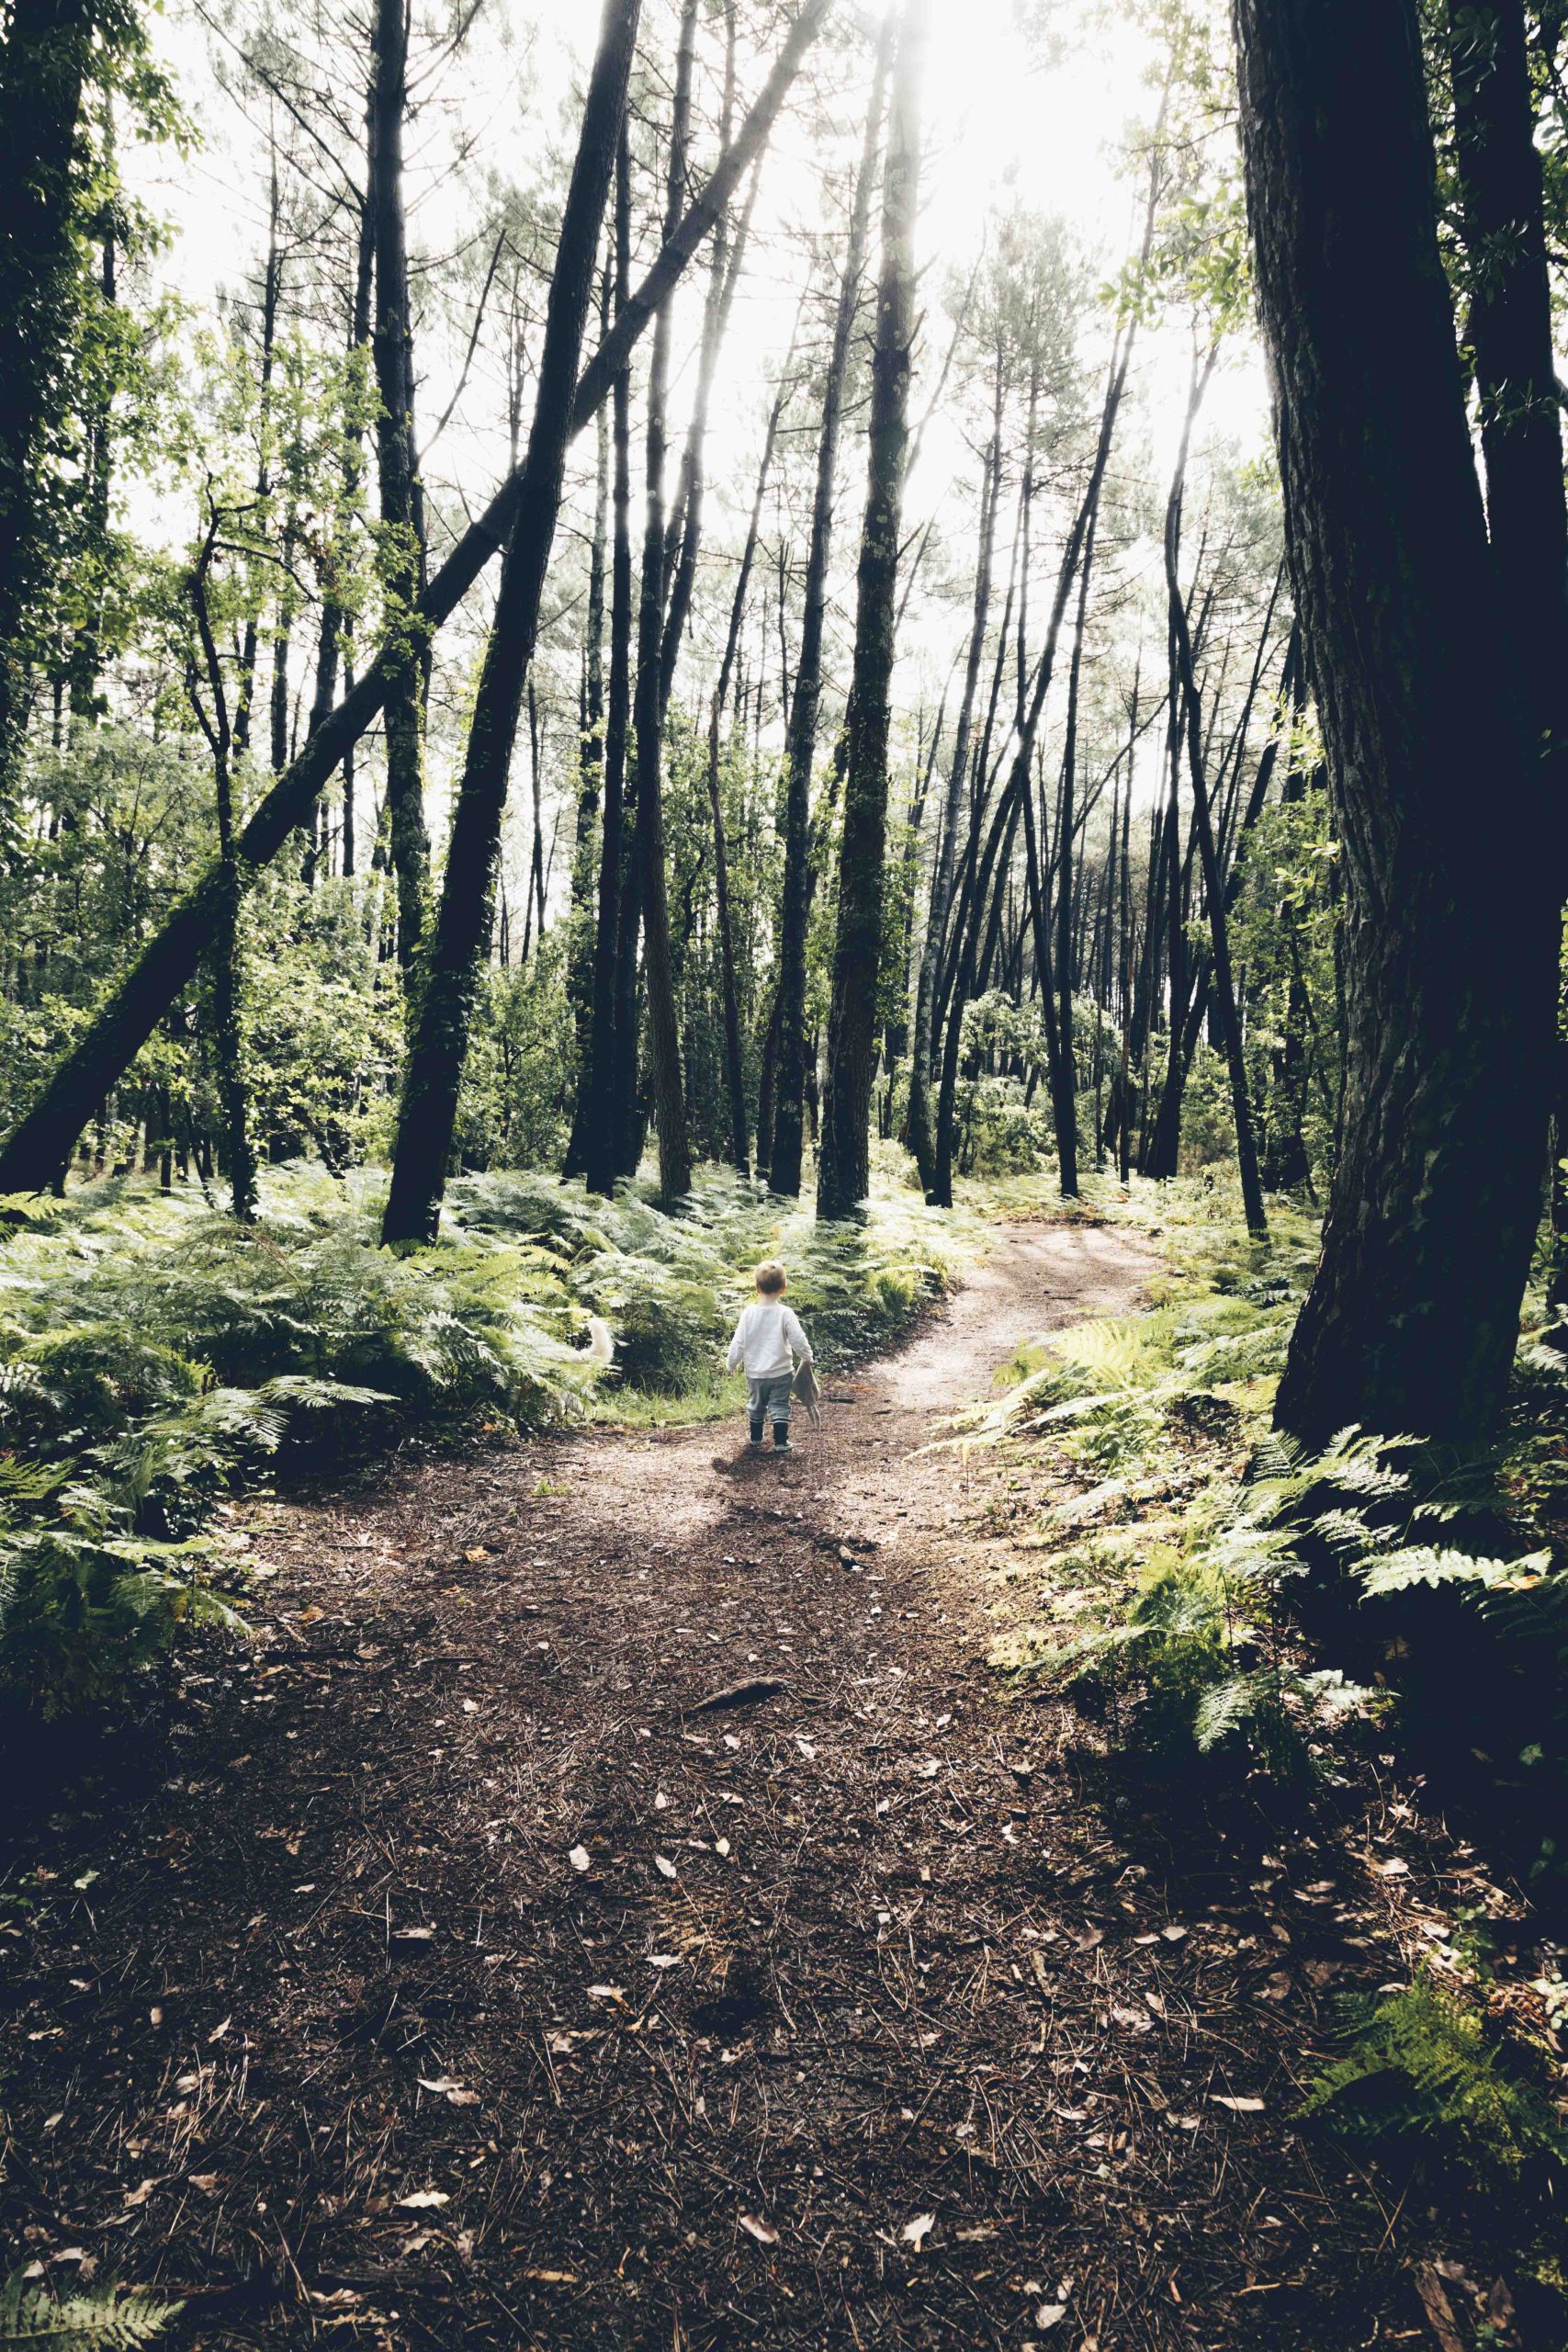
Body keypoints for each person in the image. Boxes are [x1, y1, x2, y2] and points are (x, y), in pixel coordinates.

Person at [727, 1261, 814, 1454]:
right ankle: (781, 1442)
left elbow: (738, 1342)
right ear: (783, 1288)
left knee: (756, 1404)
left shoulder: (749, 1313)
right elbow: (798, 1339)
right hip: (781, 1372)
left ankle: (756, 1438)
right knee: (780, 1404)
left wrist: (731, 1364)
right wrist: (807, 1357)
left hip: (755, 1373)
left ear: (757, 1288)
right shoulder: (785, 1313)